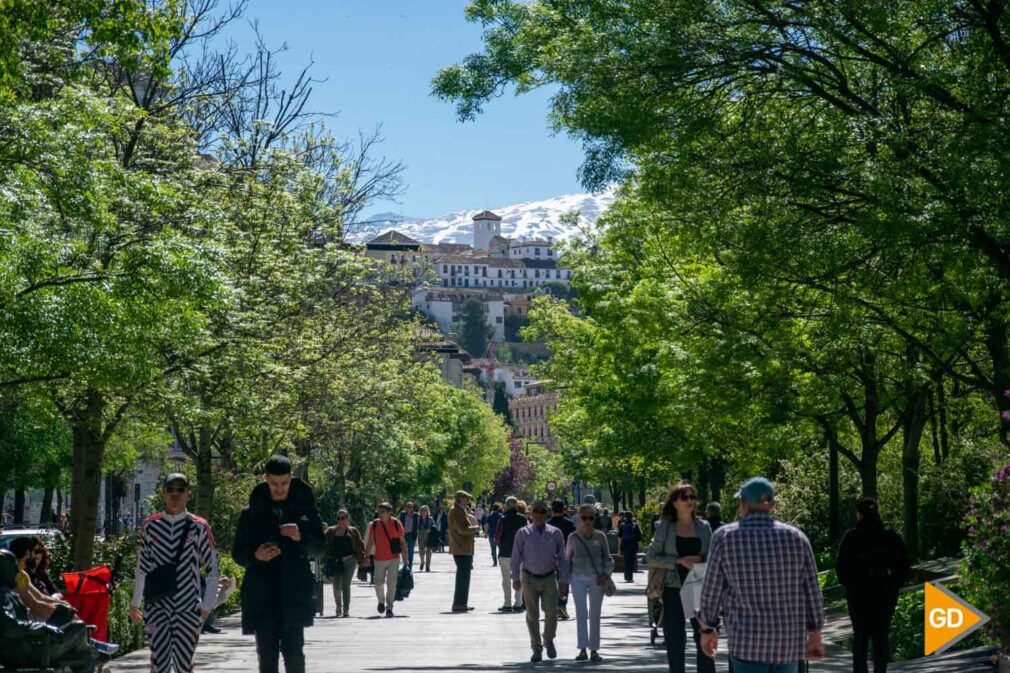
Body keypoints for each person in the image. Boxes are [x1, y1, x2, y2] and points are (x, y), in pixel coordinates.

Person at [698, 477, 826, 673]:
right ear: (773, 505)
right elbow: (812, 590)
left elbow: (711, 588)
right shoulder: (797, 538)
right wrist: (815, 633)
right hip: (788, 643)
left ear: (742, 503)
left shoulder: (725, 537)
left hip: (746, 642)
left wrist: (708, 628)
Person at [232, 455, 325, 673]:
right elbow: (238, 554)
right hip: (263, 596)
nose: (279, 488)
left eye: (284, 483)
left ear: (291, 478)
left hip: (294, 593)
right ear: (266, 479)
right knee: (267, 658)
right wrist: (256, 555)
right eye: (274, 483)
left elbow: (320, 549)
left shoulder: (306, 510)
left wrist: (299, 537)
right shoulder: (250, 513)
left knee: (294, 656)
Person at [129, 473, 219, 673]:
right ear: (163, 494)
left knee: (183, 664)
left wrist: (206, 606)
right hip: (157, 606)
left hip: (188, 607)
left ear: (189, 494)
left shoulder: (200, 527)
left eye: (180, 489)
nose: (175, 494)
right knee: (159, 663)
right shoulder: (150, 526)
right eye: (170, 489)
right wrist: (135, 603)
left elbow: (212, 569)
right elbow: (142, 567)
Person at [836, 497, 909, 673]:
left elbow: (841, 568)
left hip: (859, 597)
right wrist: (894, 585)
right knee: (881, 638)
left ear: (859, 514)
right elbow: (905, 565)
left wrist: (851, 584)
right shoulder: (890, 537)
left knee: (860, 639)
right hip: (884, 596)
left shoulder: (851, 538)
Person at [647, 482, 714, 673]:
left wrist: (699, 559)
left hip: (698, 586)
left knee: (704, 633)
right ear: (675, 502)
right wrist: (678, 561)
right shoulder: (664, 527)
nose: (690, 501)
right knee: (675, 638)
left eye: (693, 497)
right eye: (685, 497)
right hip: (673, 586)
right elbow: (652, 557)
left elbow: (714, 556)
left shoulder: (703, 526)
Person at [511, 499, 569, 663]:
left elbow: (563, 558)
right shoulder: (523, 533)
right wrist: (515, 578)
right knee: (532, 614)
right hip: (529, 577)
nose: (539, 514)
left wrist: (564, 580)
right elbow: (515, 557)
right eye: (536, 511)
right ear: (531, 513)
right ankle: (536, 648)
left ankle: (548, 640)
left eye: (543, 511)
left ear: (547, 514)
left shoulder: (555, 533)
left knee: (552, 613)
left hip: (549, 577)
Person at [566, 504, 614, 662]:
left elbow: (608, 559)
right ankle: (582, 649)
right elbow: (567, 560)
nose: (587, 521)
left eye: (590, 518)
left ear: (594, 519)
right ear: (579, 518)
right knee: (581, 613)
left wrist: (605, 573)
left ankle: (594, 649)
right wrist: (564, 582)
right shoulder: (573, 537)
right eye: (584, 517)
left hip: (597, 578)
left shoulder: (601, 536)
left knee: (595, 613)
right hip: (578, 576)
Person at [363, 502, 409, 617]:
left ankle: (389, 607)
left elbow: (402, 542)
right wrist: (366, 556)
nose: (380, 514)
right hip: (379, 559)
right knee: (378, 583)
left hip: (394, 558)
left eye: (382, 512)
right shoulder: (374, 524)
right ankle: (381, 601)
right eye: (379, 512)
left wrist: (405, 559)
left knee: (392, 583)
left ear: (389, 513)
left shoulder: (396, 523)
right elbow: (370, 542)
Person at [323, 509, 365, 618]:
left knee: (346, 585)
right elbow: (323, 543)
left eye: (343, 518)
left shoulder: (353, 531)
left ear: (347, 518)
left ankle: (346, 609)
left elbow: (360, 545)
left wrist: (363, 559)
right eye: (338, 518)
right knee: (336, 586)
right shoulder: (331, 531)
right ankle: (338, 607)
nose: (341, 520)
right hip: (336, 562)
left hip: (350, 560)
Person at [448, 490, 480, 612]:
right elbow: (462, 529)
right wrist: (476, 528)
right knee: (463, 577)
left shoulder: (460, 510)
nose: (468, 500)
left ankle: (462, 603)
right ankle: (459, 604)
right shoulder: (456, 511)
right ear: (459, 499)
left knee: (464, 576)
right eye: (466, 498)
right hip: (460, 547)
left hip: (463, 547)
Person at [496, 496, 527, 612]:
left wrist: (500, 545)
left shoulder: (503, 519)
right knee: (519, 578)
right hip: (520, 553)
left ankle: (507, 604)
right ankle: (518, 604)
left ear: (506, 505)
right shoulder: (523, 519)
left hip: (505, 552)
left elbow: (497, 537)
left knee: (506, 579)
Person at [548, 499, 575, 620]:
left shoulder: (547, 524)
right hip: (566, 557)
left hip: (550, 558)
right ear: (563, 509)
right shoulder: (569, 524)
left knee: (550, 583)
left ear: (551, 509)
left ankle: (552, 608)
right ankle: (562, 606)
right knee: (564, 582)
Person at [618, 511, 642, 582]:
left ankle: (626, 576)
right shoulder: (635, 525)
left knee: (626, 561)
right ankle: (630, 577)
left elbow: (619, 537)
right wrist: (638, 546)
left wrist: (619, 547)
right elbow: (639, 537)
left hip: (625, 544)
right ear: (632, 517)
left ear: (625, 517)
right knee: (631, 561)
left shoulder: (622, 525)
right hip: (633, 544)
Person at [398, 501, 420, 569]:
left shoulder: (416, 515)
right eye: (407, 506)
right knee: (403, 550)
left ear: (412, 508)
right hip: (403, 534)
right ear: (405, 507)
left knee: (411, 551)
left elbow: (418, 525)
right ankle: (405, 564)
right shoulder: (402, 514)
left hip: (411, 535)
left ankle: (410, 565)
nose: (409, 508)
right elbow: (398, 522)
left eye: (410, 507)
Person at [417, 505, 436, 572]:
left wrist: (430, 529)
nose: (424, 511)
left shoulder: (430, 519)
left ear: (427, 511)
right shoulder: (418, 519)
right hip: (420, 536)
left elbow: (434, 527)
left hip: (429, 537)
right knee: (421, 552)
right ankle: (422, 562)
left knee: (428, 552)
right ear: (420, 511)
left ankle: (427, 566)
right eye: (422, 510)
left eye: (425, 510)